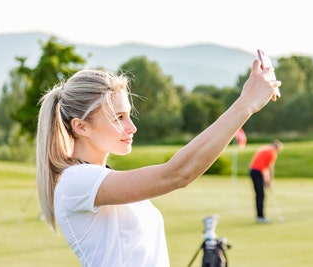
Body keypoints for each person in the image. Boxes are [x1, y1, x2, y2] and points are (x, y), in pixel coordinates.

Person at [36, 59, 281, 266]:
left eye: (128, 115)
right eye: (118, 117)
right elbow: (176, 175)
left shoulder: (98, 179)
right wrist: (245, 104)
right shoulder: (77, 182)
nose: (131, 127)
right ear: (81, 126)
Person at [248, 139, 283, 223]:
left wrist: (267, 180)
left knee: (259, 194)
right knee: (261, 195)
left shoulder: (263, 148)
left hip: (252, 171)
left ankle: (260, 216)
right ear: (277, 147)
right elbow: (269, 168)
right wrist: (269, 181)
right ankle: (260, 217)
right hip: (257, 172)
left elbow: (262, 165)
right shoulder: (272, 152)